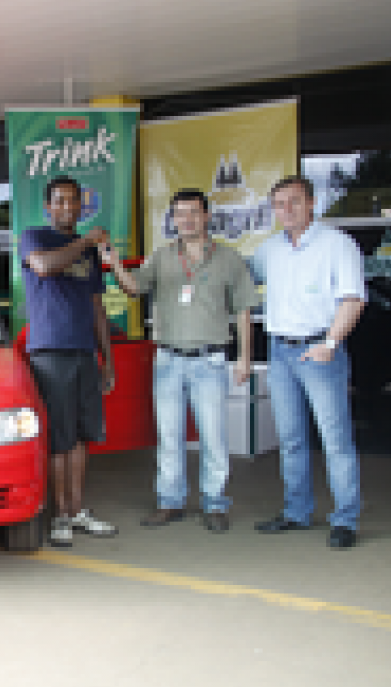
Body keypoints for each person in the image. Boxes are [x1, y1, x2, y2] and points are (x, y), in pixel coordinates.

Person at [99, 189, 258, 533]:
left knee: (213, 438)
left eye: (193, 212)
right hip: (168, 360)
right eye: (180, 213)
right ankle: (170, 502)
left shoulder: (228, 259)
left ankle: (214, 503)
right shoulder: (162, 257)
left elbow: (243, 310)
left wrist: (245, 357)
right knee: (169, 436)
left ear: (207, 216)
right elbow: (133, 288)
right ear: (173, 219)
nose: (186, 219)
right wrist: (114, 263)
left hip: (210, 360)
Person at [251, 176, 366, 549]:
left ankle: (345, 520)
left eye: (295, 201)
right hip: (280, 351)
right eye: (279, 204)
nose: (286, 210)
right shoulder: (269, 250)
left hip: (320, 351)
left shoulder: (337, 244)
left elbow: (353, 299)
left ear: (312, 203)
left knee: (335, 441)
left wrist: (331, 343)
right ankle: (296, 512)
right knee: (290, 440)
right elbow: (238, 281)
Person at [20, 175, 117, 547]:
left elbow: (97, 308)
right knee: (59, 438)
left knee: (81, 436)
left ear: (81, 206)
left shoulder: (88, 253)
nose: (66, 207)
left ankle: (77, 510)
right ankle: (60, 515)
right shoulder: (34, 237)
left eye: (73, 200)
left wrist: (107, 359)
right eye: (59, 200)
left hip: (84, 352)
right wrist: (85, 242)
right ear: (48, 207)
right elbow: (44, 267)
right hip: (51, 352)